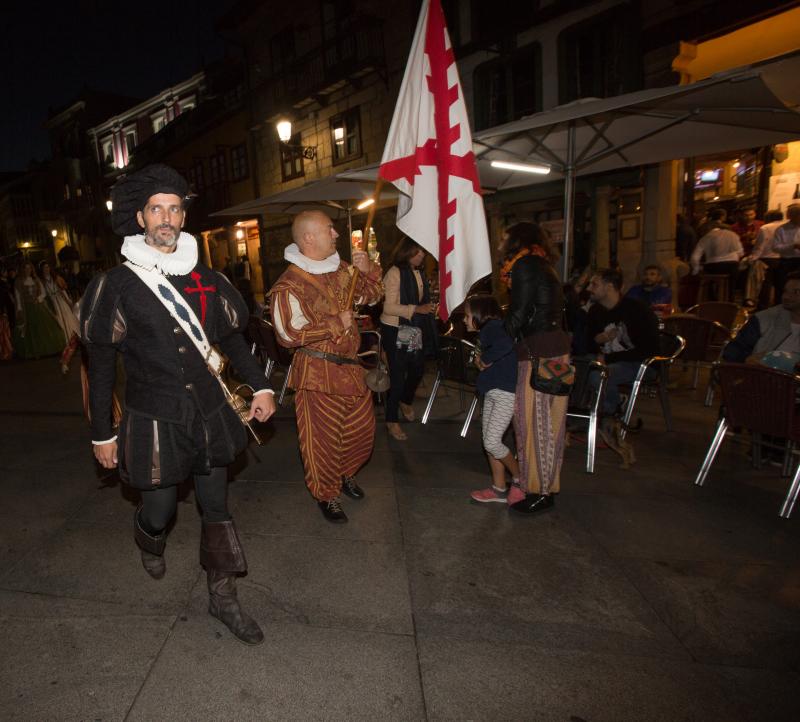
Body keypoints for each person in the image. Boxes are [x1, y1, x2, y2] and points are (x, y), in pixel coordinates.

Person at [80, 164, 276, 646]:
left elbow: (231, 338)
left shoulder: (205, 277)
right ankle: (148, 534)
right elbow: (102, 366)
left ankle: (224, 597)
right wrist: (103, 434)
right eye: (156, 209)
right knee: (161, 508)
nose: (166, 217)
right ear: (141, 218)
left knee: (217, 506)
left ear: (183, 216)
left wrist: (262, 386)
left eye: (174, 208)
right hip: (153, 417)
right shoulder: (118, 285)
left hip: (210, 411)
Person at [270, 210, 383, 524]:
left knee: (361, 433)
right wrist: (334, 324)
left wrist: (368, 270)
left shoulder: (343, 268)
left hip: (351, 369)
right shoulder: (288, 284)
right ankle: (327, 493)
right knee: (321, 442)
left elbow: (371, 297)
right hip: (317, 373)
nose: (336, 235)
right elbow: (287, 334)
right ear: (309, 237)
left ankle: (345, 473)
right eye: (330, 229)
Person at [501, 222, 571, 514]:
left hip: (538, 352)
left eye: (505, 237)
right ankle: (540, 485)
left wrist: (497, 342)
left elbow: (520, 312)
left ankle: (541, 491)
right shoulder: (542, 264)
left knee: (536, 424)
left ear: (518, 239)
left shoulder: (525, 265)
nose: (500, 243)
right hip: (553, 349)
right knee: (547, 423)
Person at [379, 237, 437, 441]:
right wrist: (417, 309)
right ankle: (391, 420)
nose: (422, 256)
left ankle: (405, 399)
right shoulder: (394, 273)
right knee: (397, 375)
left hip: (412, 328)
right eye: (418, 252)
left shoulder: (419, 272)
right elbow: (387, 307)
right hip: (394, 328)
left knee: (418, 369)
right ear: (407, 252)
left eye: (423, 253)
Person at [464, 295, 520, 504]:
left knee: (492, 441)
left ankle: (519, 476)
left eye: (468, 316)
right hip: (493, 391)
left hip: (504, 393)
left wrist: (485, 360)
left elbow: (506, 344)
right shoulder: (489, 330)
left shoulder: (493, 327)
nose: (464, 320)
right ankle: (499, 488)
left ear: (480, 314)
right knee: (489, 442)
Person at [586, 268, 660, 417]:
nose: (589, 289)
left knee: (598, 376)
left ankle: (610, 415)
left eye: (594, 285)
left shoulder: (638, 310)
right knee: (576, 369)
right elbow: (588, 342)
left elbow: (647, 350)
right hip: (608, 359)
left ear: (609, 287)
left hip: (640, 363)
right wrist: (596, 342)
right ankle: (583, 415)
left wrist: (607, 358)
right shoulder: (595, 311)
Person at [722, 272, 800, 363]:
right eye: (785, 291)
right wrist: (747, 360)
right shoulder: (763, 319)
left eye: (797, 292)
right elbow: (732, 352)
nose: (786, 296)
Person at [11, 261, 65, 359]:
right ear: (23, 270)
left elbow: (43, 293)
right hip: (26, 308)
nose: (28, 270)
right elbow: (18, 296)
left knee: (45, 328)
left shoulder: (36, 280)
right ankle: (33, 351)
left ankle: (47, 349)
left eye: (29, 268)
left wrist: (38, 299)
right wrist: (19, 309)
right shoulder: (19, 281)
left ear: (32, 269)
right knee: (31, 330)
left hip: (38, 306)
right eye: (26, 268)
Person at [690, 215, 744, 301]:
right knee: (731, 284)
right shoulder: (733, 235)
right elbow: (741, 253)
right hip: (732, 266)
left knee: (709, 282)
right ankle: (729, 301)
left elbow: (695, 257)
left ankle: (712, 299)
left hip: (713, 266)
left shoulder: (706, 237)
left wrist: (696, 269)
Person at [748, 209, 784, 309]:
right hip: (782, 258)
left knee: (765, 284)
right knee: (780, 284)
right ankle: (778, 305)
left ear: (768, 218)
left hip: (767, 259)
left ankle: (763, 306)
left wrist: (753, 258)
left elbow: (760, 246)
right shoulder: (786, 227)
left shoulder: (765, 228)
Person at [770, 203, 800, 301]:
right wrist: (793, 246)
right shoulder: (782, 229)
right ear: (792, 216)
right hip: (787, 262)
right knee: (783, 287)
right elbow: (775, 248)